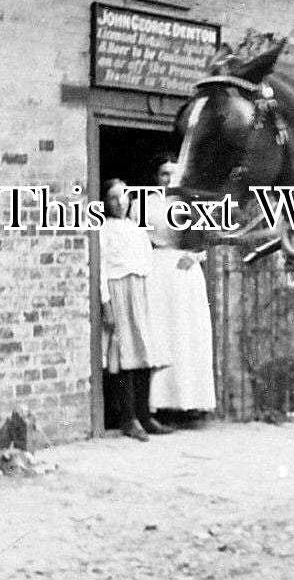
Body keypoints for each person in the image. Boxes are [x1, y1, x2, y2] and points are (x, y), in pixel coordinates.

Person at [142, 156, 217, 420]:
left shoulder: (191, 202)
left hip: (185, 271)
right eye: (164, 174)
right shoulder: (145, 204)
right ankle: (160, 403)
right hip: (157, 270)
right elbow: (137, 238)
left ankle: (190, 401)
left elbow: (209, 238)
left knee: (186, 333)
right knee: (161, 332)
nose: (169, 179)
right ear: (156, 177)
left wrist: (195, 256)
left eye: (174, 174)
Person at [99, 179, 171, 441]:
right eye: (113, 198)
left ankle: (145, 415)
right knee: (125, 356)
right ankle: (128, 418)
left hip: (140, 291)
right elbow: (101, 269)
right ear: (105, 202)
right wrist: (106, 304)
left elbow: (148, 264)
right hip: (119, 290)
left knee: (144, 353)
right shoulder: (103, 230)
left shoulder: (137, 229)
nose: (120, 203)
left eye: (123, 196)